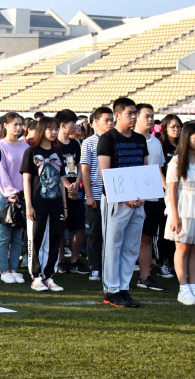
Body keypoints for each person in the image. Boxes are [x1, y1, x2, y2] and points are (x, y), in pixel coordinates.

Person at [98, 97, 149, 308]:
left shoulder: (140, 139)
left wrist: (142, 194)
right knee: (113, 246)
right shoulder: (107, 139)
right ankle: (111, 290)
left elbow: (144, 169)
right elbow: (105, 173)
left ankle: (124, 287)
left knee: (131, 247)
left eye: (135, 113)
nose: (134, 117)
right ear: (117, 115)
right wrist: (123, 197)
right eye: (130, 113)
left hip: (137, 200)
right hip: (116, 201)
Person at [21, 116, 67, 292]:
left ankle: (48, 276)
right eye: (50, 128)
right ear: (41, 130)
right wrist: (28, 205)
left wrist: (64, 205)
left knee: (54, 240)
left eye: (56, 129)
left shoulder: (58, 154)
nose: (54, 132)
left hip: (56, 205)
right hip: (37, 204)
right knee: (36, 240)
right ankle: (36, 276)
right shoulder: (31, 152)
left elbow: (61, 181)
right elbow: (26, 180)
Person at [165, 122, 195, 305]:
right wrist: (175, 216)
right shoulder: (176, 161)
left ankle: (193, 286)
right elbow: (172, 191)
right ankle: (183, 288)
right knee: (182, 249)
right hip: (183, 209)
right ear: (186, 139)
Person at [134, 103, 166, 291]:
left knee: (146, 238)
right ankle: (118, 279)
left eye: (152, 116)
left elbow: (158, 170)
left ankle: (145, 277)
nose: (151, 119)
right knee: (126, 239)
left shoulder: (155, 142)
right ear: (136, 117)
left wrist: (166, 190)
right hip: (132, 199)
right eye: (147, 116)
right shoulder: (129, 141)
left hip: (152, 198)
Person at [80, 106, 113, 282]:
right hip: (96, 195)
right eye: (106, 120)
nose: (110, 123)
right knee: (94, 233)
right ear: (95, 122)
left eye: (112, 120)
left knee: (111, 235)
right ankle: (95, 267)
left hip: (113, 195)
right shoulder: (89, 142)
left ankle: (109, 267)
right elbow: (85, 170)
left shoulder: (115, 140)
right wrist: (89, 195)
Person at [0, 112, 28, 284]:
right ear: (6, 126)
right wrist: (10, 193)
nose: (18, 127)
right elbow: (1, 172)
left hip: (23, 196)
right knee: (4, 235)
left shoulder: (26, 147)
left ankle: (14, 269)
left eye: (20, 124)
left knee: (18, 237)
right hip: (6, 196)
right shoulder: (0, 146)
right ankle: (4, 270)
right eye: (15, 124)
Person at [55, 109, 88, 274]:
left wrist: (76, 184)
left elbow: (80, 165)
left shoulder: (76, 144)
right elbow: (55, 169)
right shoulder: (54, 144)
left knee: (80, 226)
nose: (76, 126)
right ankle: (61, 260)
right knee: (61, 227)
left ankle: (75, 260)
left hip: (76, 191)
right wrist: (68, 186)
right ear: (63, 125)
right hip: (60, 192)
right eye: (72, 123)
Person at [157, 114, 183, 278]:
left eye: (179, 126)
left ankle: (174, 262)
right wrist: (167, 188)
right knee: (164, 230)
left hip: (182, 194)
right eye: (173, 126)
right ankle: (162, 262)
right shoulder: (161, 145)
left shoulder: (183, 146)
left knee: (177, 230)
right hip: (165, 194)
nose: (176, 129)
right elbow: (158, 169)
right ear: (165, 128)